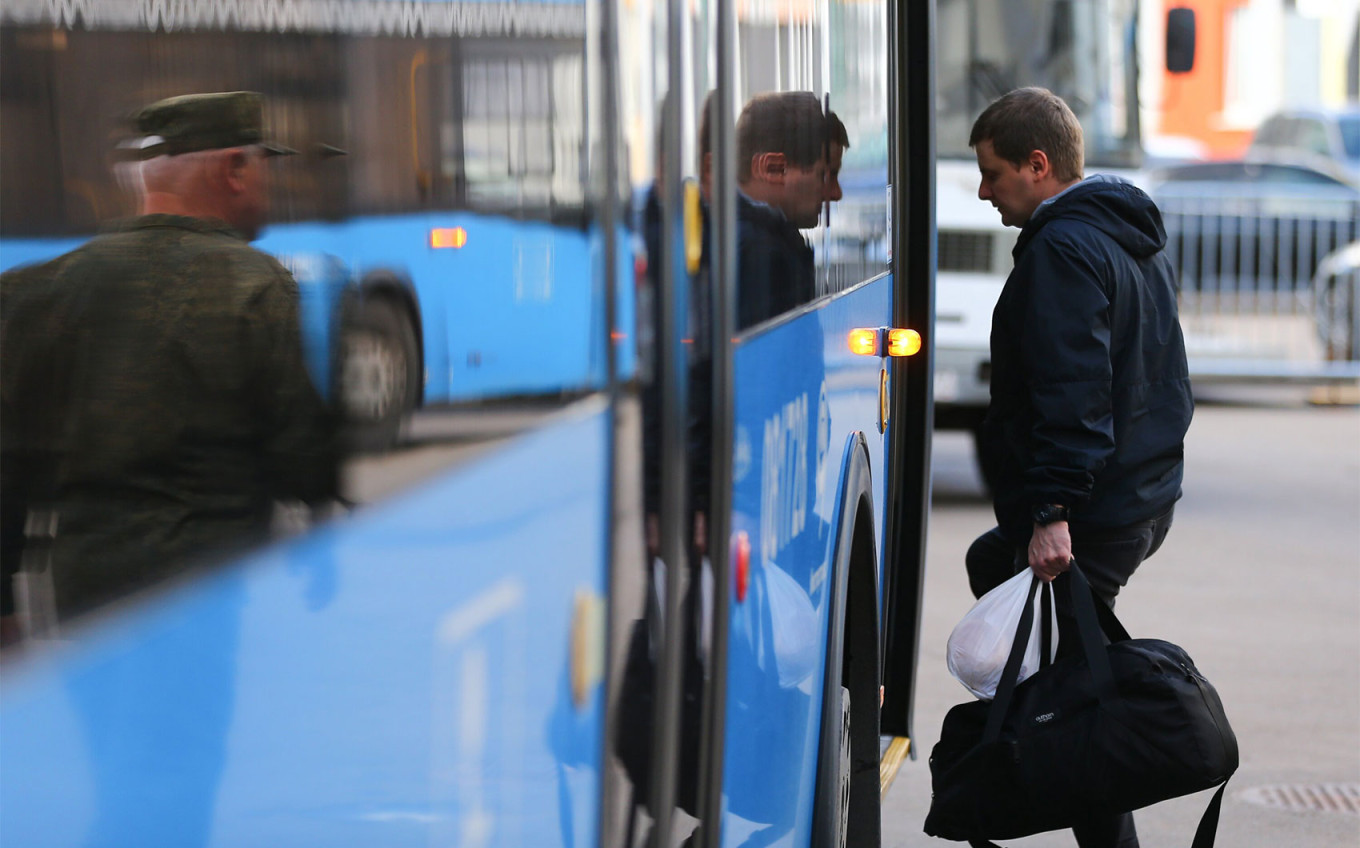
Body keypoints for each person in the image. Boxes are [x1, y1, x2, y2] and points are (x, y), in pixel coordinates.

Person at [0, 91, 340, 632]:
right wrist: (323, 530)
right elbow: (299, 445)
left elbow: (9, 456)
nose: (267, 183)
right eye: (262, 165)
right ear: (233, 169)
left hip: (83, 595)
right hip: (204, 592)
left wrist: (5, 603)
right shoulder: (254, 285)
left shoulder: (43, 291)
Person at [965, 87, 1193, 848]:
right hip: (1136, 496)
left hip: (1093, 507)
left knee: (1082, 694)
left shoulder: (1065, 247)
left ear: (1038, 165)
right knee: (1067, 668)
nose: (983, 191)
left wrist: (1052, 511)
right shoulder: (1124, 235)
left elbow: (1073, 390)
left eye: (993, 173)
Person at [734, 91, 830, 329]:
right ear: (771, 169)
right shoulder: (762, 254)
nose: (834, 192)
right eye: (823, 176)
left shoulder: (751, 239)